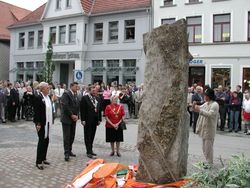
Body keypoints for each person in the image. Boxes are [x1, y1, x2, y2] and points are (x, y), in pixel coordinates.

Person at [193, 88, 219, 165]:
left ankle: (210, 162)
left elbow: (209, 114)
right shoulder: (206, 103)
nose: (204, 97)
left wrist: (199, 110)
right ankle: (207, 161)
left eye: (206, 95)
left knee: (208, 148)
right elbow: (199, 108)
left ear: (210, 96)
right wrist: (194, 106)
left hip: (210, 129)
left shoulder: (215, 104)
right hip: (204, 128)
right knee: (204, 147)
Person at [33, 82, 53, 170]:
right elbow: (36, 112)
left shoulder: (47, 97)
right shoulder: (38, 97)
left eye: (48, 88)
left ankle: (43, 158)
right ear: (42, 89)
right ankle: (38, 161)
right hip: (41, 123)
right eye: (47, 88)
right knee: (41, 141)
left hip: (47, 122)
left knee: (46, 140)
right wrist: (38, 123)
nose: (48, 89)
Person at [80, 85, 102, 159]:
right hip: (87, 120)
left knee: (92, 135)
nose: (94, 91)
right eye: (92, 90)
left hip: (95, 120)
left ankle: (91, 149)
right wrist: (82, 119)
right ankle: (88, 151)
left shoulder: (97, 98)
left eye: (95, 90)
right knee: (87, 135)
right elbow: (82, 109)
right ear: (89, 90)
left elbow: (99, 110)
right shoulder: (85, 98)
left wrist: (99, 119)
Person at [60, 82, 80, 162]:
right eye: (75, 86)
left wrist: (77, 115)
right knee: (67, 137)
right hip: (67, 119)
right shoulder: (66, 94)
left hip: (73, 119)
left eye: (77, 87)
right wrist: (72, 115)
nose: (77, 88)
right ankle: (66, 153)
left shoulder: (76, 95)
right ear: (71, 86)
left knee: (72, 135)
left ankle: (70, 150)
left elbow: (77, 106)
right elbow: (65, 106)